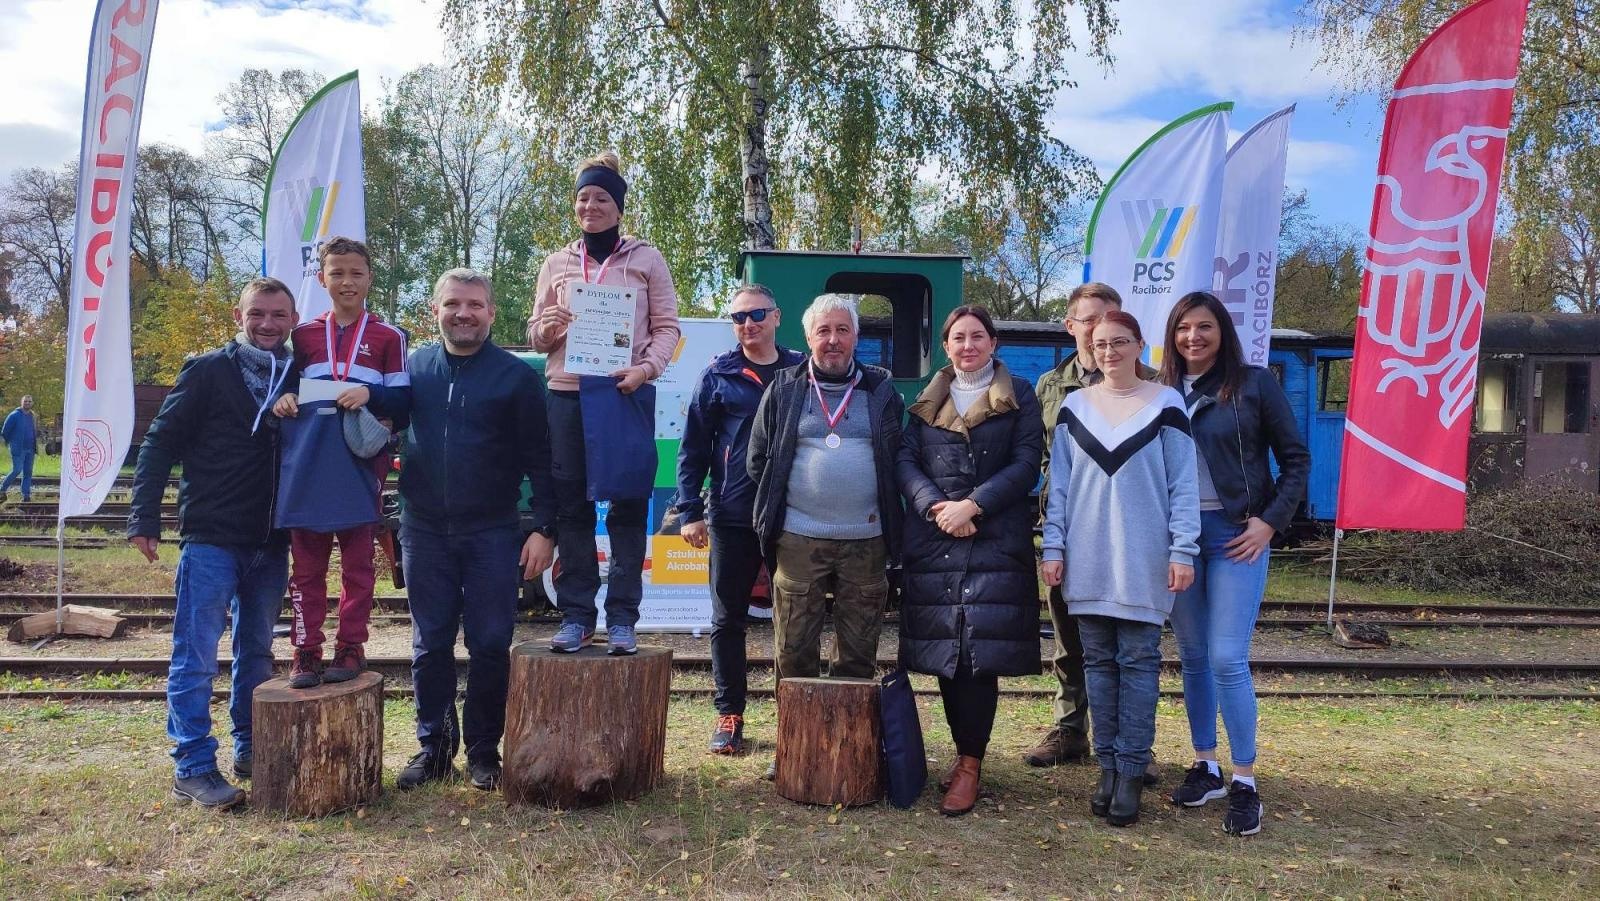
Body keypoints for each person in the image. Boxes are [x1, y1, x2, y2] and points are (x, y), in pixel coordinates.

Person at [127, 278, 300, 810]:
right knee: (196, 654)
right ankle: (194, 765)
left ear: (293, 319)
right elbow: (159, 443)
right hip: (211, 537)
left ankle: (250, 748)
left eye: (278, 315)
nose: (267, 324)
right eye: (257, 314)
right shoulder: (206, 370)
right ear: (238, 314)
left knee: (256, 653)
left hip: (271, 541)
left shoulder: (298, 373)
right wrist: (144, 514)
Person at [396, 269, 556, 792]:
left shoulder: (514, 377)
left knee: (490, 644)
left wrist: (545, 529)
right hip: (423, 530)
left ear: (491, 312)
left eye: (474, 305)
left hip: (492, 531)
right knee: (430, 645)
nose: (463, 313)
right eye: (452, 304)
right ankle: (434, 749)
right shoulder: (412, 368)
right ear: (435, 310)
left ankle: (484, 752)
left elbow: (542, 459)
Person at [1159, 291, 1310, 837]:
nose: (1193, 337)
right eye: (1183, 328)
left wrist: (1269, 522)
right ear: (1172, 335)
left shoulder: (1254, 384)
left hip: (1235, 534)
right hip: (1178, 537)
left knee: (1226, 657)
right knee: (1193, 656)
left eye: (1204, 327)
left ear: (1221, 332)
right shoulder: (1160, 390)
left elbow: (1295, 458)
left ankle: (1245, 780)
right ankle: (1206, 764)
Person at [1040, 310, 1199, 827]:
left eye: (1120, 342)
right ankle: (1106, 768)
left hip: (1144, 557)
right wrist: (1054, 547)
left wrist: (1182, 550)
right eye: (1100, 342)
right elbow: (1058, 488)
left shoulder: (1167, 404)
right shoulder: (1074, 408)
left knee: (1138, 663)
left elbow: (1183, 485)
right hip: (1087, 555)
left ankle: (1132, 770)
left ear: (1139, 345)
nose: (1109, 350)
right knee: (1098, 665)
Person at [529, 151, 681, 655]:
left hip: (623, 393)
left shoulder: (646, 259)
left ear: (618, 206)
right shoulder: (556, 263)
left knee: (627, 507)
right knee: (573, 509)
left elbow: (667, 330)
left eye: (601, 198)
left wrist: (645, 370)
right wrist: (547, 328)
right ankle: (577, 615)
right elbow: (536, 336)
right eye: (582, 198)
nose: (590, 206)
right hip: (567, 396)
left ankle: (622, 619)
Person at [748, 293, 904, 778]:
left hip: (867, 540)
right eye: (823, 331)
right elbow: (759, 461)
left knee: (858, 650)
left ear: (856, 337)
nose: (833, 340)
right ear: (809, 337)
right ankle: (793, 746)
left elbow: (899, 460)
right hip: (798, 538)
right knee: (794, 648)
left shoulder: (881, 391)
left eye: (842, 330)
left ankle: (844, 750)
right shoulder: (785, 388)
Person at [896, 305, 1043, 816]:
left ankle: (969, 764)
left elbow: (1028, 463)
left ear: (993, 342)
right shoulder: (926, 399)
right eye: (958, 338)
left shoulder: (1019, 394)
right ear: (946, 346)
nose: (967, 346)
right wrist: (935, 508)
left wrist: (973, 505)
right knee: (946, 654)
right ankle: (962, 757)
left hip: (994, 537)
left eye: (977, 336)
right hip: (937, 538)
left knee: (979, 657)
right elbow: (905, 460)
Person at [1027, 282, 1157, 770]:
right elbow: (1042, 457)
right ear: (1071, 326)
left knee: (1131, 646)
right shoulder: (1050, 386)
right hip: (1068, 529)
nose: (1099, 327)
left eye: (1110, 317)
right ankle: (1070, 729)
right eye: (1089, 319)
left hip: (1131, 533)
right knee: (1070, 639)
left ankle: (1128, 745)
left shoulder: (1154, 384)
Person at [271, 237, 411, 689]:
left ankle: (350, 645)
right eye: (337, 273)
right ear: (322, 278)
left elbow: (405, 402)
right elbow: (284, 391)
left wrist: (372, 393)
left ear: (370, 278)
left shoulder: (389, 337)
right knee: (306, 566)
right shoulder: (304, 336)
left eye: (356, 273)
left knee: (358, 566)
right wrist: (286, 398)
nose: (347, 282)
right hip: (310, 463)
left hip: (358, 466)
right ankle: (305, 649)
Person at [674, 283, 804, 755]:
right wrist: (690, 511)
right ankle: (729, 714)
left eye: (756, 314)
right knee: (727, 619)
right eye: (738, 317)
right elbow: (693, 450)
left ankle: (796, 714)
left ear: (776, 317)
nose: (747, 323)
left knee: (794, 619)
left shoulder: (801, 371)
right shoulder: (717, 375)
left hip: (794, 515)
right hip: (732, 515)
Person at [1, 395, 37, 503]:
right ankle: (2, 490)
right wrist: (11, 443)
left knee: (28, 472)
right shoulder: (14, 415)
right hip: (18, 449)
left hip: (30, 448)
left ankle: (26, 495)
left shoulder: (33, 416)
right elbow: (5, 432)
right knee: (17, 470)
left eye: (29, 401)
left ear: (32, 403)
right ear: (21, 402)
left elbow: (34, 430)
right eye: (25, 401)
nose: (27, 403)